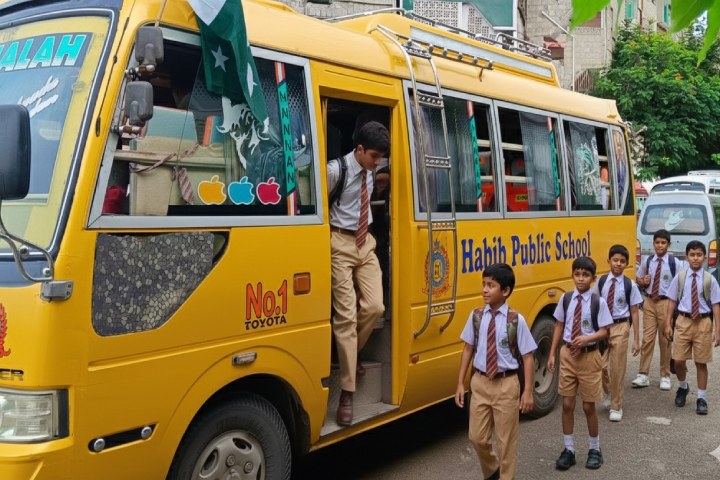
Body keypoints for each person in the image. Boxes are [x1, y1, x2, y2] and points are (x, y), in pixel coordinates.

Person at [327, 120, 389, 426]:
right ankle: (347, 393)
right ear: (360, 149)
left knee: (376, 306)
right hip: (339, 241)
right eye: (374, 156)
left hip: (365, 243)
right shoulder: (334, 171)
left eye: (381, 158)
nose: (378, 163)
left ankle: (348, 352)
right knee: (346, 316)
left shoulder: (372, 168)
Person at [455, 263, 536, 480]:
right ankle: (492, 471)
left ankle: (506, 477)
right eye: (483, 284)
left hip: (506, 384)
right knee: (477, 437)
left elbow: (528, 357)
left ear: (505, 291)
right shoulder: (476, 316)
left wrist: (528, 392)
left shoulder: (515, 320)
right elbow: (468, 349)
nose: (484, 290)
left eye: (491, 285)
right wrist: (460, 383)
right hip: (480, 382)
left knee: (506, 442)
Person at [548, 257, 612, 471]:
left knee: (588, 405)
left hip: (589, 356)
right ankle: (569, 450)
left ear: (593, 278)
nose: (581, 278)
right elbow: (559, 325)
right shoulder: (566, 299)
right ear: (572, 275)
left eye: (585, 275)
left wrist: (587, 338)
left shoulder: (598, 302)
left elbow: (604, 331)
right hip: (568, 355)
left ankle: (595, 448)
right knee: (567, 404)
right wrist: (552, 354)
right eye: (577, 274)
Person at [664, 240, 720, 415]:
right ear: (686, 257)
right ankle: (683, 386)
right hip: (683, 321)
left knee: (701, 362)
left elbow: (716, 305)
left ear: (704, 257)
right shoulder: (680, 278)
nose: (695, 258)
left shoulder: (710, 279)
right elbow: (671, 301)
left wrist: (718, 330)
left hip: (703, 322)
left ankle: (701, 398)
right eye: (692, 255)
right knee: (678, 360)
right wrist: (668, 323)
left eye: (699, 255)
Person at [593, 245, 642, 422]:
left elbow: (635, 311)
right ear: (608, 261)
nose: (618, 264)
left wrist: (636, 339)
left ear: (626, 264)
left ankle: (616, 405)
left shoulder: (630, 285)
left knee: (617, 368)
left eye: (622, 261)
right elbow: (593, 304)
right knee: (600, 366)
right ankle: (608, 392)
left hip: (621, 326)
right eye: (615, 260)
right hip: (602, 327)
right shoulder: (601, 282)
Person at [634, 229, 685, 390]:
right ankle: (643, 374)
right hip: (649, 301)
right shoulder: (648, 261)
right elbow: (638, 278)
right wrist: (643, 282)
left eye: (663, 243)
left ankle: (665, 375)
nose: (660, 245)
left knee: (665, 340)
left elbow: (681, 283)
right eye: (657, 242)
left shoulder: (674, 263)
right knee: (647, 339)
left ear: (669, 245)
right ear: (653, 244)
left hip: (666, 303)